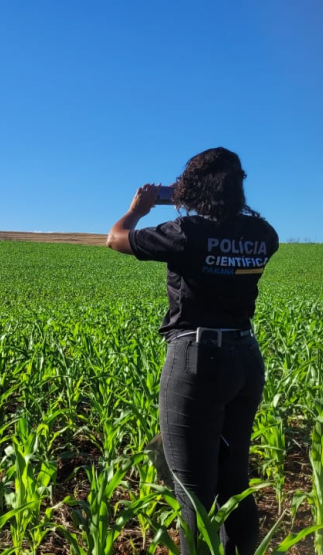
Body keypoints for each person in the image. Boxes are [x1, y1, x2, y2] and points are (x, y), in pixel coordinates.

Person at [106, 147, 278, 554]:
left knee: (193, 492)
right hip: (245, 358)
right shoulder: (263, 235)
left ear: (192, 188)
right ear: (238, 187)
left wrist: (138, 209)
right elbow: (244, 241)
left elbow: (114, 239)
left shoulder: (186, 233)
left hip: (196, 361)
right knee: (235, 482)